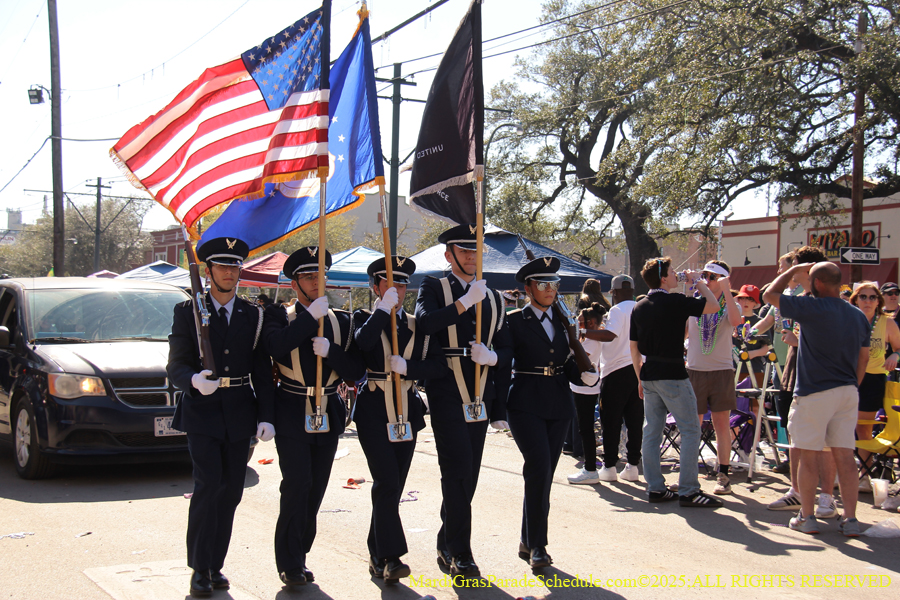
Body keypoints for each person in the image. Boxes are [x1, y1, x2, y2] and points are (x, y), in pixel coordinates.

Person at [167, 237, 275, 598]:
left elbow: (261, 368)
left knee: (231, 492)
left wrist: (266, 414)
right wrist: (194, 381)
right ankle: (199, 567)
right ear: (208, 271)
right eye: (222, 266)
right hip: (202, 413)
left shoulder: (252, 314)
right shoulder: (188, 311)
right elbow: (176, 365)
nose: (229, 273)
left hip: (240, 410)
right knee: (207, 487)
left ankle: (215, 564)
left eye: (235, 266)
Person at [414, 224, 512, 578]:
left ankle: (445, 538)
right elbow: (425, 323)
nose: (472, 257)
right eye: (464, 250)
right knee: (456, 471)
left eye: (476, 251)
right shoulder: (434, 286)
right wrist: (464, 303)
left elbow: (505, 347)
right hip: (446, 392)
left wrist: (495, 362)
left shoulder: (495, 296)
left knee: (468, 475)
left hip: (481, 395)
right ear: (449, 254)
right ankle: (461, 552)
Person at [263, 247, 365, 587]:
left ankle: (300, 553)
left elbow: (355, 370)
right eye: (308, 276)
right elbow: (275, 349)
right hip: (292, 408)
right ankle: (289, 562)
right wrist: (309, 319)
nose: (316, 281)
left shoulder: (342, 321)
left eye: (320, 275)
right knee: (297, 484)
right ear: (295, 284)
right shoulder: (281, 315)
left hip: (327, 409)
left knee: (316, 488)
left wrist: (331, 351)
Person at [352, 256, 448, 582]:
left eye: (403, 283)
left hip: (407, 408)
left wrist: (410, 369)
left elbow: (438, 365)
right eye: (390, 283)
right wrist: (382, 310)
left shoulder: (416, 325)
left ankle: (376, 552)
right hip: (374, 409)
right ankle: (392, 558)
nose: (399, 289)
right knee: (387, 482)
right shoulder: (363, 317)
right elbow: (362, 344)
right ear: (376, 286)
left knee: (391, 488)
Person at [763, 261, 869, 537]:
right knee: (845, 456)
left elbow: (769, 296)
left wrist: (790, 272)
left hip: (813, 391)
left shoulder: (813, 308)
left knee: (807, 455)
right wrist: (852, 385)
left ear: (818, 283)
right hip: (847, 391)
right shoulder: (858, 315)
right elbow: (864, 357)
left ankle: (807, 516)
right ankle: (851, 519)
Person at [506, 257, 599, 567]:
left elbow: (565, 363)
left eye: (554, 285)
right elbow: (504, 363)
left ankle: (526, 539)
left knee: (543, 475)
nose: (550, 290)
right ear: (528, 288)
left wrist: (583, 373)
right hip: (525, 403)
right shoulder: (515, 320)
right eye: (544, 284)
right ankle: (538, 547)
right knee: (539, 467)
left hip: (558, 404)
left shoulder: (563, 322)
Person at [629, 257, 724, 508]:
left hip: (649, 372)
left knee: (652, 431)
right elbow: (714, 306)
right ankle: (689, 490)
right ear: (663, 278)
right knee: (691, 429)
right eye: (672, 272)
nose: (676, 275)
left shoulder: (639, 306)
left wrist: (639, 377)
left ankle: (656, 488)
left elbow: (634, 347)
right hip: (672, 372)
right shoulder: (675, 301)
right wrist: (699, 283)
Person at [763, 246, 839, 519]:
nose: (785, 271)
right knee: (796, 436)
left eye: (792, 266)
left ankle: (827, 498)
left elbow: (768, 295)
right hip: (797, 373)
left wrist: (801, 342)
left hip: (822, 379)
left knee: (828, 441)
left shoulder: (827, 301)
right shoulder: (803, 298)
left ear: (805, 269)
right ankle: (797, 491)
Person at [685, 261, 743, 495]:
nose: (706, 280)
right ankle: (688, 475)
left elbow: (737, 321)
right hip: (695, 369)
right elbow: (684, 330)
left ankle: (724, 476)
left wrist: (727, 290)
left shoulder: (730, 303)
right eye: (705, 275)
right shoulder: (696, 302)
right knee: (692, 426)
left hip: (721, 370)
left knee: (721, 424)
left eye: (711, 276)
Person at [580, 274, 643, 483]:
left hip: (615, 370)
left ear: (614, 292)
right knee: (634, 420)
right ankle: (632, 465)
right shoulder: (640, 306)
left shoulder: (616, 310)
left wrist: (583, 332)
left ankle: (609, 466)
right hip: (638, 368)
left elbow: (610, 335)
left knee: (611, 421)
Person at [849, 281, 900, 491]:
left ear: (878, 301)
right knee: (840, 427)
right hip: (848, 378)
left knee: (863, 428)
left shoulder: (886, 322)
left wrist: (895, 355)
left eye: (872, 297)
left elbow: (898, 347)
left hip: (873, 379)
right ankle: (838, 474)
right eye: (863, 297)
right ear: (855, 300)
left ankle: (864, 475)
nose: (868, 301)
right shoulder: (848, 319)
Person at [566, 302, 605, 484]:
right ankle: (589, 467)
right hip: (580, 388)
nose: (578, 324)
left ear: (590, 323)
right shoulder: (588, 340)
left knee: (586, 429)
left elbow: (580, 360)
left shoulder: (592, 342)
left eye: (580, 321)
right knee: (585, 428)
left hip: (586, 390)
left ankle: (590, 468)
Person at [733, 284, 772, 388]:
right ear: (738, 300)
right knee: (733, 402)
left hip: (755, 369)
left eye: (750, 299)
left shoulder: (761, 322)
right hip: (733, 369)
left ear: (755, 303)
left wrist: (752, 353)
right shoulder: (731, 319)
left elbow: (767, 346)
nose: (746, 302)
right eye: (743, 298)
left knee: (755, 403)